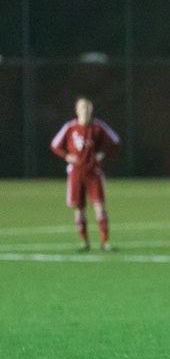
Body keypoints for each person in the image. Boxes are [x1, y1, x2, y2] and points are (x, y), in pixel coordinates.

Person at [49, 96, 121, 251]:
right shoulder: (70, 128)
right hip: (76, 173)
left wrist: (103, 153)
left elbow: (115, 141)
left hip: (94, 172)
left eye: (88, 107)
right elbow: (55, 145)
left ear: (91, 109)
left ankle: (104, 242)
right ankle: (85, 241)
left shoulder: (98, 127)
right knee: (79, 207)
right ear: (77, 110)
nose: (85, 110)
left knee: (99, 206)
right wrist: (67, 156)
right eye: (82, 107)